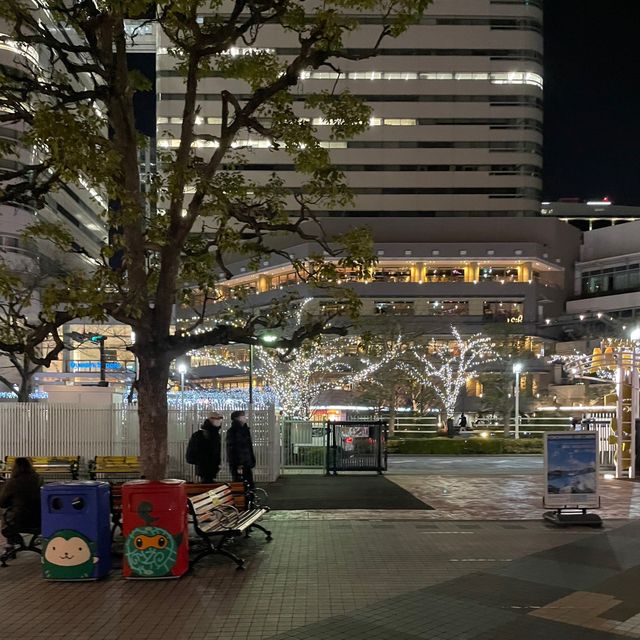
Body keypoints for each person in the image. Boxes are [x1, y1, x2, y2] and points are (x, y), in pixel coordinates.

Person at [0, 457, 42, 551]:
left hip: (20, 521)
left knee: (5, 512)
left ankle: (11, 544)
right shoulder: (38, 479)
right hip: (38, 520)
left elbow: (2, 503)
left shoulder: (12, 482)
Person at [186, 412, 223, 483]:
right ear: (210, 419)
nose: (219, 421)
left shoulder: (215, 434)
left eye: (219, 419)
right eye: (216, 418)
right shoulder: (203, 434)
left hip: (209, 467)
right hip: (205, 467)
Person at [226, 410, 256, 488]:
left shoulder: (244, 430)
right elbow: (234, 449)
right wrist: (239, 463)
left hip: (245, 463)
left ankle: (248, 498)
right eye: (243, 416)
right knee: (241, 485)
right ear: (237, 418)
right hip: (240, 464)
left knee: (247, 484)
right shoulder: (234, 431)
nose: (245, 418)